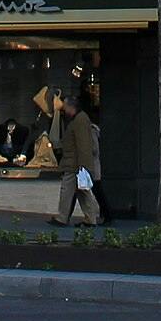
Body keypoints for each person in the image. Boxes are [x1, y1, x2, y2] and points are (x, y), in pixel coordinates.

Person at [53, 94, 101, 227]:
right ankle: (90, 219)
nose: (64, 110)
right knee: (82, 191)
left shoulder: (79, 120)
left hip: (74, 164)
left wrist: (83, 165)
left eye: (65, 107)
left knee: (68, 190)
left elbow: (83, 144)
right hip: (76, 163)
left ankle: (63, 218)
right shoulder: (80, 119)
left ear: (71, 107)